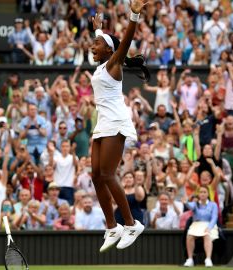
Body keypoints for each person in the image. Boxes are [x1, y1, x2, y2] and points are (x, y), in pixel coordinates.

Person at [89, 0, 149, 252]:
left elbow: (124, 42)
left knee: (108, 173)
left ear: (109, 50)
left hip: (116, 122)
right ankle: (112, 227)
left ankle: (132, 224)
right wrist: (98, 30)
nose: (93, 47)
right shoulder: (104, 64)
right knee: (95, 175)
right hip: (103, 123)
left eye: (97, 45)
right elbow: (106, 43)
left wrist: (133, 15)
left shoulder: (114, 64)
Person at [183, 185, 219, 268]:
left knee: (207, 235)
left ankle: (208, 259)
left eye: (204, 192)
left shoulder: (213, 205)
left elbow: (214, 217)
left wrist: (209, 227)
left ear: (208, 194)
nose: (202, 194)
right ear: (198, 194)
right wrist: (186, 202)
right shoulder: (195, 204)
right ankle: (190, 259)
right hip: (196, 224)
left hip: (209, 224)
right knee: (189, 236)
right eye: (200, 192)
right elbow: (190, 206)